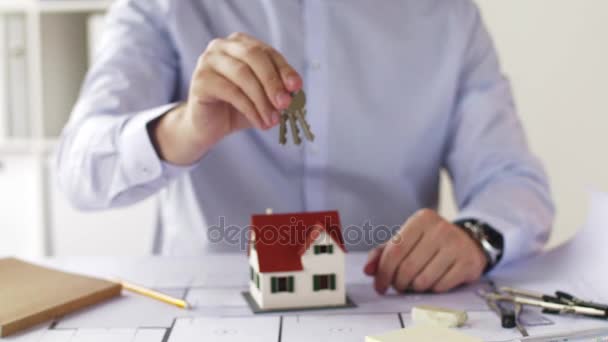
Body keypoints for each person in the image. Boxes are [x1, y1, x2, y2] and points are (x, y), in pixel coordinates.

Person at [57, 0, 554, 294]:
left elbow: (512, 179)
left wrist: (476, 236)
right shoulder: (167, 5)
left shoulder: (447, 15)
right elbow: (79, 171)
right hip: (213, 307)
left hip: (385, 300)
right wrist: (186, 128)